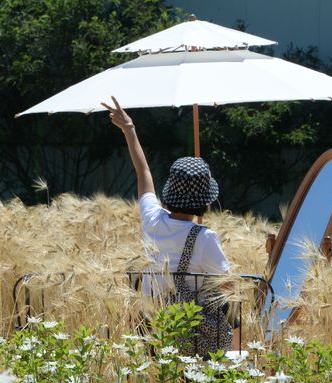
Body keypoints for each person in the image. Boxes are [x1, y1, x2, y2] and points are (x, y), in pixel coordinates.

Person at [101, 96, 240, 356]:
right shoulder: (205, 237)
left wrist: (129, 129)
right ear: (205, 203)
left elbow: (143, 172)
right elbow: (228, 287)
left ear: (170, 193)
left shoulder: (152, 218)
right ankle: (244, 362)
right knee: (233, 314)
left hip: (149, 323)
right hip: (190, 332)